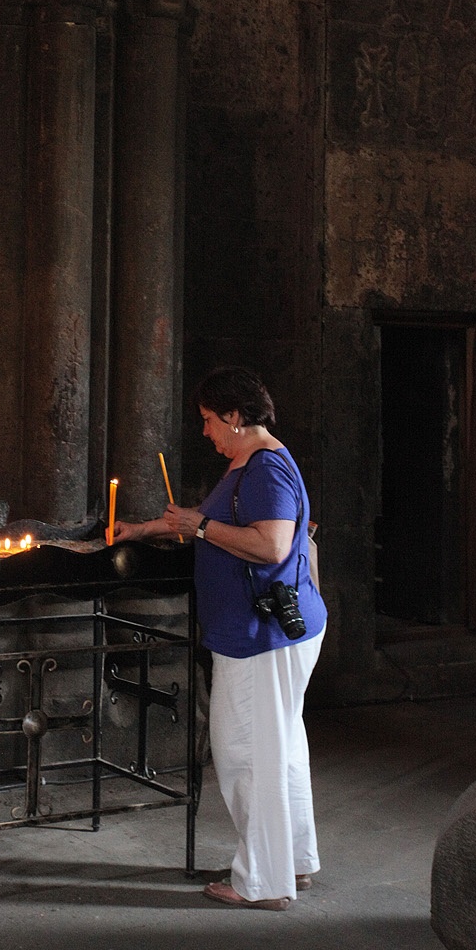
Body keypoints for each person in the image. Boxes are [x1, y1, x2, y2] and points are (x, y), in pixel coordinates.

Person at [113, 365, 327, 911]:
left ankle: (261, 882)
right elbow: (204, 520)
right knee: (280, 751)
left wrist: (201, 529)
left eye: (210, 420)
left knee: (246, 756)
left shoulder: (264, 469)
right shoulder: (247, 463)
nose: (205, 431)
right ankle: (292, 863)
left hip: (263, 635)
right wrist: (141, 530)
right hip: (268, 631)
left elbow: (274, 545)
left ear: (234, 416)